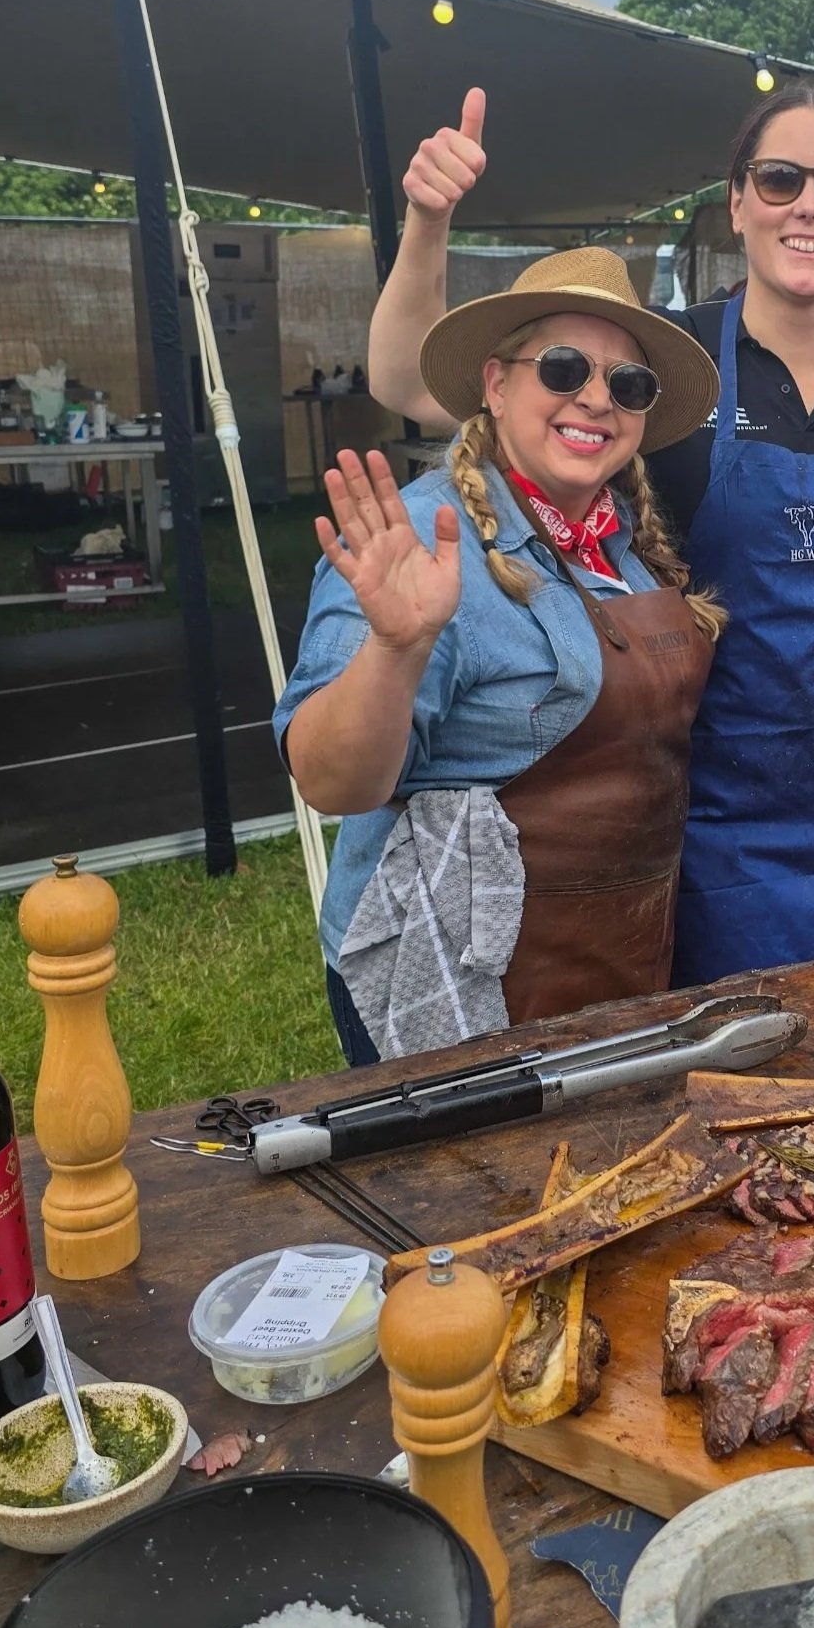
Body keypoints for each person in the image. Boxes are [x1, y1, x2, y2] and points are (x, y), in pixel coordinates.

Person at [367, 81, 814, 984]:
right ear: (738, 201)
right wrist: (428, 220)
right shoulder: (669, 368)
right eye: (780, 178)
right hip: (719, 808)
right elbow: (406, 383)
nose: (809, 206)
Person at [278, 247, 723, 1064]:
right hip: (454, 974)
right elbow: (331, 782)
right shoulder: (417, 541)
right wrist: (396, 645)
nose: (595, 397)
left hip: (616, 957)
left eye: (628, 385)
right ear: (496, 383)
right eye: (563, 368)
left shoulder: (623, 542)